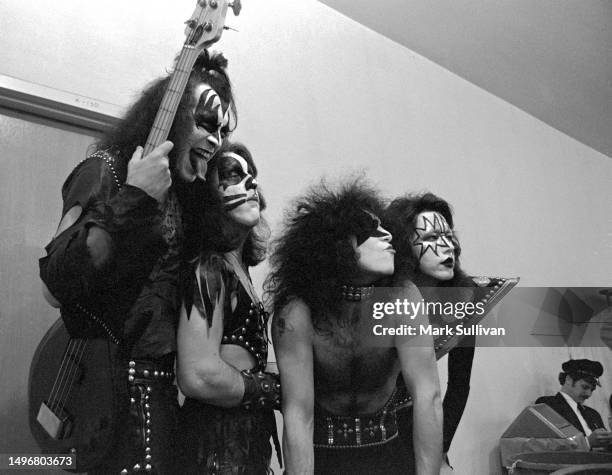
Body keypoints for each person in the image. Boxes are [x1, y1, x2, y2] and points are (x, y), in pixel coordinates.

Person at [38, 50, 235, 474]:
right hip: (96, 393)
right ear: (171, 118)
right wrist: (134, 197)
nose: (216, 140)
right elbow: (54, 289)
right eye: (205, 123)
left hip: (161, 401)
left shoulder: (187, 202)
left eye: (222, 130)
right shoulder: (105, 171)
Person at [267, 180, 442, 475]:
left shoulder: (403, 298)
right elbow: (298, 415)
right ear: (336, 245)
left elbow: (428, 396)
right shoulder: (297, 313)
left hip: (390, 454)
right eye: (368, 230)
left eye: (383, 226)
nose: (386, 234)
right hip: (323, 458)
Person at [176, 142, 281, 474]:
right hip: (215, 451)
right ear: (209, 196)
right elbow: (198, 376)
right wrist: (274, 389)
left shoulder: (236, 269)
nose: (251, 183)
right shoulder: (209, 270)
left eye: (252, 176)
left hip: (243, 443)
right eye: (234, 175)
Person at [384, 192, 476, 471]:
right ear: (403, 246)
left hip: (422, 424)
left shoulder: (466, 301)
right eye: (431, 238)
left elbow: (459, 385)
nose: (447, 246)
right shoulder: (385, 299)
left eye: (448, 235)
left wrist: (441, 448)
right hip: (373, 434)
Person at [536, 359, 612, 449]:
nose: (589, 394)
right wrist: (587, 442)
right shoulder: (548, 405)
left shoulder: (593, 414)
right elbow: (547, 445)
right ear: (568, 380)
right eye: (585, 387)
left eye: (592, 389)